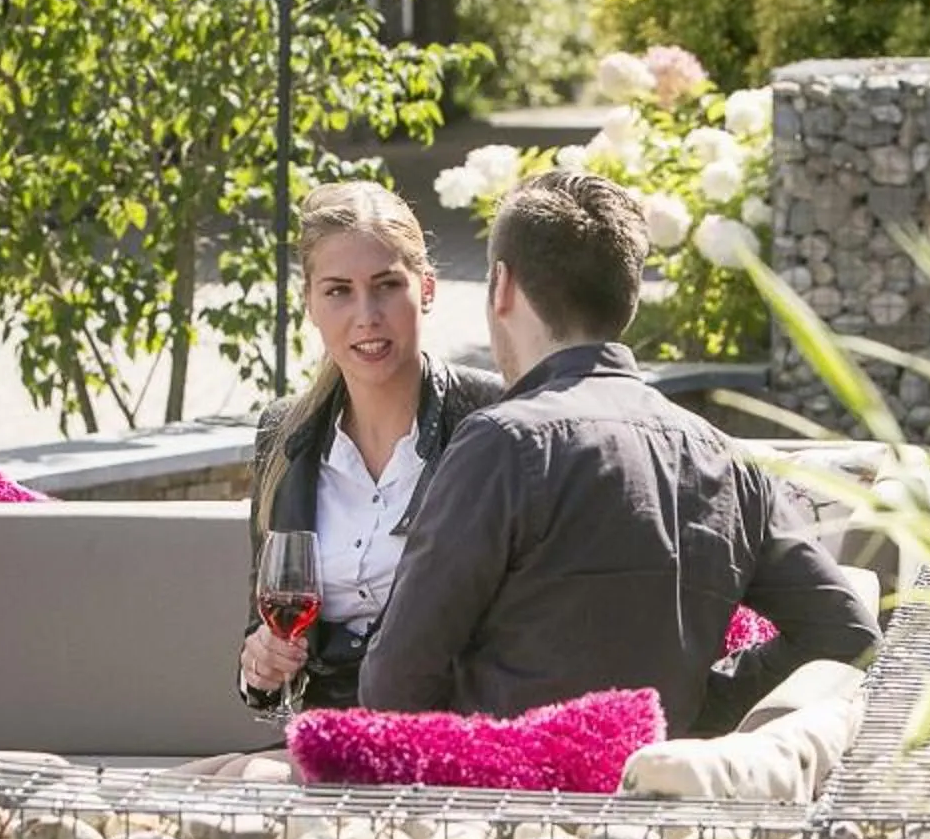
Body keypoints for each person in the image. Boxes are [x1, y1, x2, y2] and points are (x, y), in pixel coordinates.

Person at [357, 169, 879, 734]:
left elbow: (392, 684)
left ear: (502, 286)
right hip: (663, 805)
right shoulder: (728, 461)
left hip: (499, 804)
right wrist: (699, 708)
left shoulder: (502, 444)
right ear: (627, 298)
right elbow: (848, 636)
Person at [237, 181, 503, 715]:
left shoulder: (493, 419)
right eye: (338, 290)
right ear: (309, 303)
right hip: (324, 733)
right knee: (203, 785)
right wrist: (260, 663)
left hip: (450, 731)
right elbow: (266, 641)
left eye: (386, 285)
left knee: (230, 784)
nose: (366, 315)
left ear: (426, 288)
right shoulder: (285, 434)